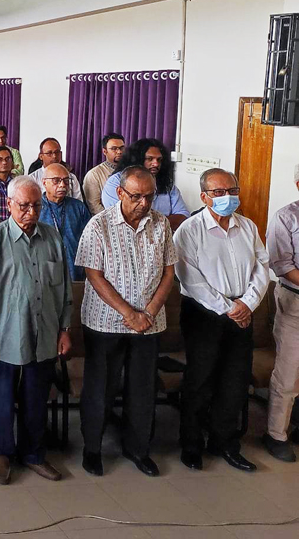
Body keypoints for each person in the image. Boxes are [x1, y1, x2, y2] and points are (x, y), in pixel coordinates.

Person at [75, 166, 177, 478]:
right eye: (136, 196)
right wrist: (128, 312)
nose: (144, 203)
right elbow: (93, 273)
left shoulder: (161, 225)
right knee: (100, 388)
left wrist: (150, 310)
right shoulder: (99, 226)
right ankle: (92, 448)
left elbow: (169, 271)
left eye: (149, 196)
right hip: (106, 323)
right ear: (120, 193)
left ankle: (138, 449)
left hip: (148, 324)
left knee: (142, 389)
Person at [0, 176, 70, 485]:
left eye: (36, 205)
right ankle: (2, 453)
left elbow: (64, 288)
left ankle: (33, 454)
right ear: (10, 205)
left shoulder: (52, 237)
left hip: (45, 330)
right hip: (5, 332)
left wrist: (65, 328)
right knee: (2, 395)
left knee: (36, 395)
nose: (31, 211)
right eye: (24, 206)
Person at [174, 168, 269, 472]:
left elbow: (262, 268)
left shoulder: (248, 227)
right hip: (204, 313)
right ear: (204, 197)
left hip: (243, 310)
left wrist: (247, 303)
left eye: (232, 190)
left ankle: (225, 443)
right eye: (218, 192)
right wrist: (228, 308)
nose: (227, 197)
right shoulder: (189, 231)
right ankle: (191, 445)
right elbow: (189, 278)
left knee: (234, 380)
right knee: (200, 379)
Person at [265, 164, 299, 462]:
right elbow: (282, 266)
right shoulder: (285, 217)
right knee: (287, 376)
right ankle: (276, 434)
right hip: (294, 305)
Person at [101, 139, 188, 230]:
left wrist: (155, 224)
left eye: (159, 160)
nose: (156, 164)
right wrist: (163, 222)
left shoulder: (166, 183)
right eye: (149, 159)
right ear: (137, 159)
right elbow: (127, 219)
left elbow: (183, 216)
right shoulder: (116, 182)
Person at [39, 164, 91, 281]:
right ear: (44, 183)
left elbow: (89, 240)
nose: (62, 185)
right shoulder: (36, 208)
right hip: (44, 272)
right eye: (56, 181)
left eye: (66, 181)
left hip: (74, 268)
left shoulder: (78, 207)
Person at [83, 133, 124, 214]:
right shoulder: (94, 174)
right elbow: (94, 206)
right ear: (105, 151)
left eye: (121, 148)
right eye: (114, 148)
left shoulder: (132, 170)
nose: (119, 152)